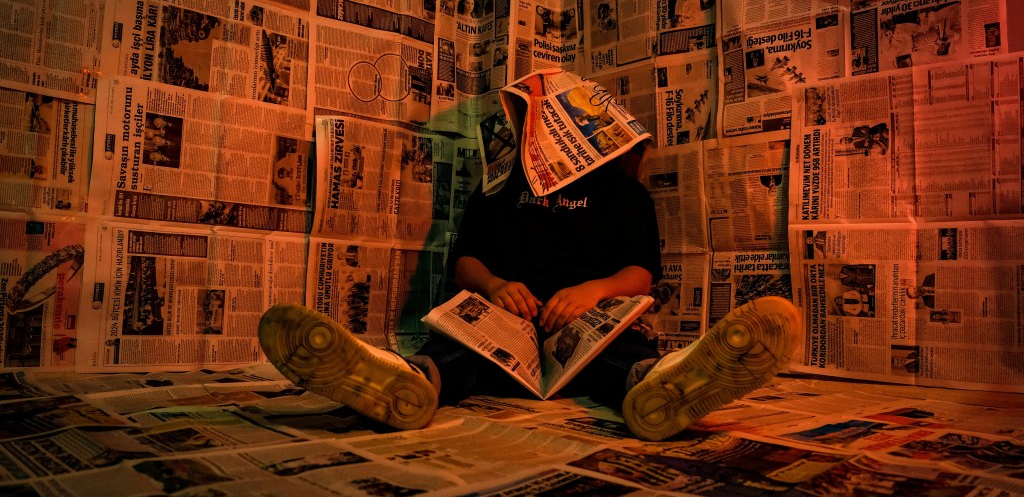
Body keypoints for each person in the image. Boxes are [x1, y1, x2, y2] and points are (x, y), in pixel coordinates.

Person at [259, 95, 799, 442]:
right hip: (502, 330)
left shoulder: (621, 192)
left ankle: (660, 387)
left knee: (620, 360)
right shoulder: (499, 184)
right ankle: (406, 383)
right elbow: (465, 264)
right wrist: (495, 285)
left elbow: (641, 275)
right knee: (454, 355)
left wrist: (593, 291)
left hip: (586, 328)